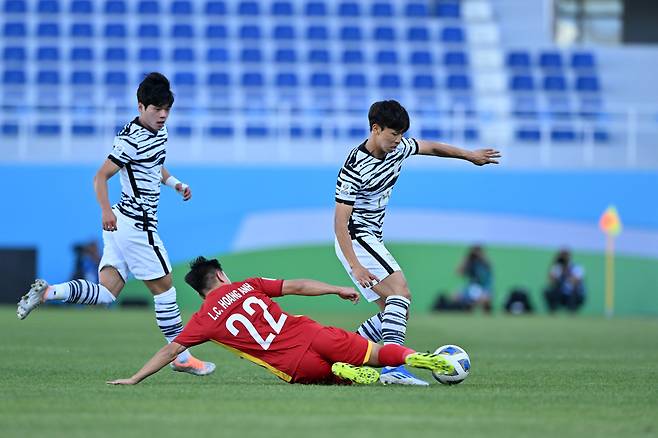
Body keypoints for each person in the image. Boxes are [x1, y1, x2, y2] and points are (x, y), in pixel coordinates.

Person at [16, 72, 214, 376]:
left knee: (106, 293)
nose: (162, 115)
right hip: (136, 224)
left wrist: (175, 184)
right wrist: (104, 211)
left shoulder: (159, 133)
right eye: (156, 108)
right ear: (140, 106)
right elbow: (100, 176)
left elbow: (155, 164)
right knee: (165, 290)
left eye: (167, 109)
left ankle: (48, 292)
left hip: (123, 223)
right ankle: (181, 356)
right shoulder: (130, 140)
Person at [334, 100, 500, 385]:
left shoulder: (397, 149)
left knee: (396, 310)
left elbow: (433, 148)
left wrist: (470, 155)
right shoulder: (353, 167)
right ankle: (392, 369)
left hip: (371, 237)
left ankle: (342, 357)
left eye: (402, 135)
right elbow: (340, 223)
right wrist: (355, 265)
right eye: (393, 134)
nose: (399, 141)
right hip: (357, 237)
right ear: (375, 129)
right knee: (402, 292)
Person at [107, 257, 454, 386]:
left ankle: (342, 374)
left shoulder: (204, 319)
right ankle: (411, 358)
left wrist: (135, 378)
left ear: (201, 292)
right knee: (377, 352)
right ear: (221, 274)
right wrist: (336, 289)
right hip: (313, 333)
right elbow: (298, 286)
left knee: (333, 375)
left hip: (293, 365)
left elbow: (171, 351)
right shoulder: (249, 285)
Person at [544, 248, 586, 313]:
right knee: (548, 291)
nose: (563, 257)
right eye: (562, 255)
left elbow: (575, 282)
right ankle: (552, 312)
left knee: (573, 293)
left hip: (573, 294)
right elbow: (551, 282)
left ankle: (572, 313)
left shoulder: (576, 267)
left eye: (565, 255)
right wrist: (553, 264)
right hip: (561, 294)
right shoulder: (557, 267)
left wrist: (566, 270)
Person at [455, 245, 493, 313]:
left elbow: (489, 267)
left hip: (484, 288)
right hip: (471, 288)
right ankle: (467, 311)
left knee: (485, 299)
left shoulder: (485, 264)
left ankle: (486, 315)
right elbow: (458, 272)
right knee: (456, 296)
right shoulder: (470, 263)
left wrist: (482, 257)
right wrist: (466, 258)